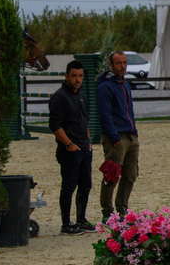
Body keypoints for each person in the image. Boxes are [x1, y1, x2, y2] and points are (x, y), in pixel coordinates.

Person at [48, 60, 93, 234]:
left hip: (84, 148)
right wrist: (69, 144)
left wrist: (88, 142)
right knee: (69, 186)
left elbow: (85, 120)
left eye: (80, 76)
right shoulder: (59, 97)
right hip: (69, 150)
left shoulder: (81, 96)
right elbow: (55, 126)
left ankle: (81, 219)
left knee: (86, 185)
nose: (77, 79)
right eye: (74, 76)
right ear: (67, 76)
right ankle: (66, 224)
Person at [97, 51, 139, 221]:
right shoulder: (105, 87)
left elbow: (130, 110)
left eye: (124, 62)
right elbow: (104, 115)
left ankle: (122, 208)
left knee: (130, 174)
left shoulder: (125, 84)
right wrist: (114, 137)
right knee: (111, 175)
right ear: (111, 65)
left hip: (130, 136)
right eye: (118, 63)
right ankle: (107, 211)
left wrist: (134, 131)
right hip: (116, 137)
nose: (122, 66)